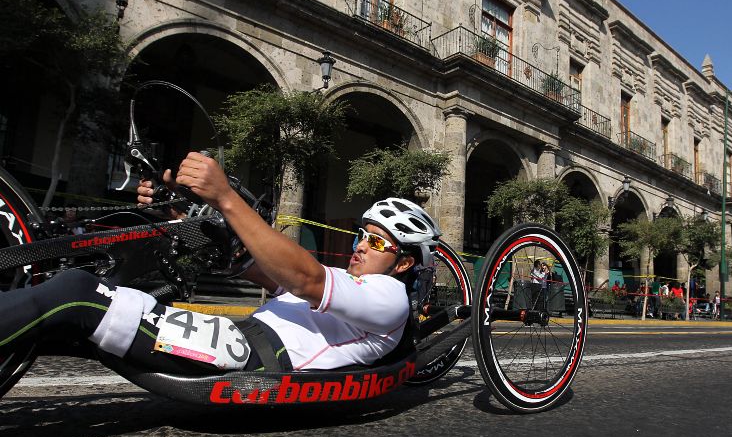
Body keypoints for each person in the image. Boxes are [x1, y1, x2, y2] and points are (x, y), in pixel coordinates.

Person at [0, 152, 440, 374]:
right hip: (231, 339)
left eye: (378, 243)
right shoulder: (352, 282)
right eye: (362, 235)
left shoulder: (390, 301)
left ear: (403, 264)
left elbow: (305, 279)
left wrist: (226, 198)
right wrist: (187, 219)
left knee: (77, 294)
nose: (361, 246)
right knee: (94, 285)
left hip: (248, 356)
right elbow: (263, 271)